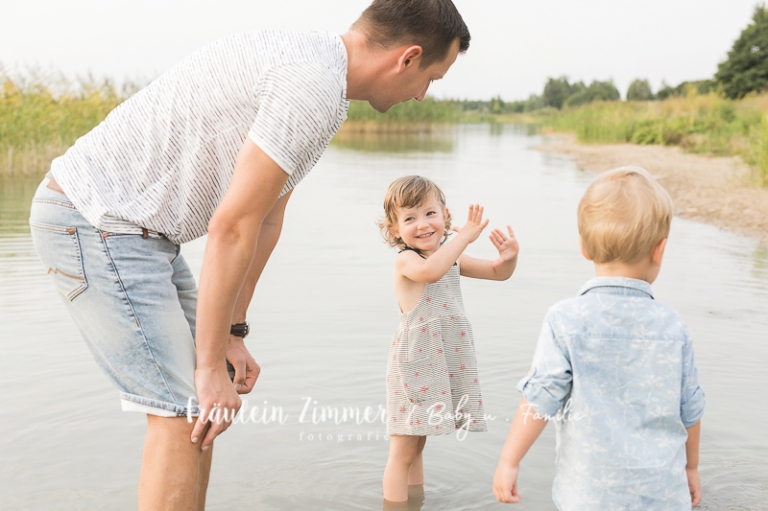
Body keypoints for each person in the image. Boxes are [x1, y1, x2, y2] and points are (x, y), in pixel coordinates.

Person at [27, 1, 471, 509]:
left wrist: (232, 333)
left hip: (137, 234)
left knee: (203, 409)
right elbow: (230, 227)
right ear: (408, 58)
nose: (422, 95)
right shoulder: (311, 84)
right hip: (94, 220)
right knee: (183, 409)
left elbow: (265, 219)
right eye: (432, 78)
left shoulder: (322, 82)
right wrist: (209, 363)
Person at [492, 167, 706, 510]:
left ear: (583, 248)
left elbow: (540, 398)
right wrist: (691, 468)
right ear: (659, 250)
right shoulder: (673, 326)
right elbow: (690, 408)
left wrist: (509, 460)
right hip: (663, 494)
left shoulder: (565, 319)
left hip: (588, 496)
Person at [378, 176, 519, 504]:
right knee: (401, 453)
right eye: (409, 218)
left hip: (436, 365)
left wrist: (509, 256)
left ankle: (415, 500)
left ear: (445, 215)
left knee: (418, 446)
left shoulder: (448, 257)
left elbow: (498, 272)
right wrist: (465, 238)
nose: (423, 225)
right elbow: (431, 273)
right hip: (413, 370)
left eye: (430, 214)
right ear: (395, 229)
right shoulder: (407, 261)